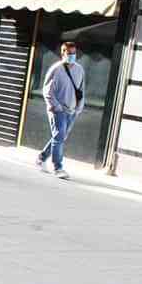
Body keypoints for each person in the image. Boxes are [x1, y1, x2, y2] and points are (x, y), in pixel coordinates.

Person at [36, 41, 85, 180]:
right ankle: (58, 167)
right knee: (59, 136)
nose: (72, 56)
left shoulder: (80, 69)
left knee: (60, 137)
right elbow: (47, 91)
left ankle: (41, 158)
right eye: (69, 53)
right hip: (58, 110)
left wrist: (79, 107)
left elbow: (81, 89)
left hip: (72, 110)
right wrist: (56, 107)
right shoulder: (56, 69)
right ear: (63, 53)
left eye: (74, 53)